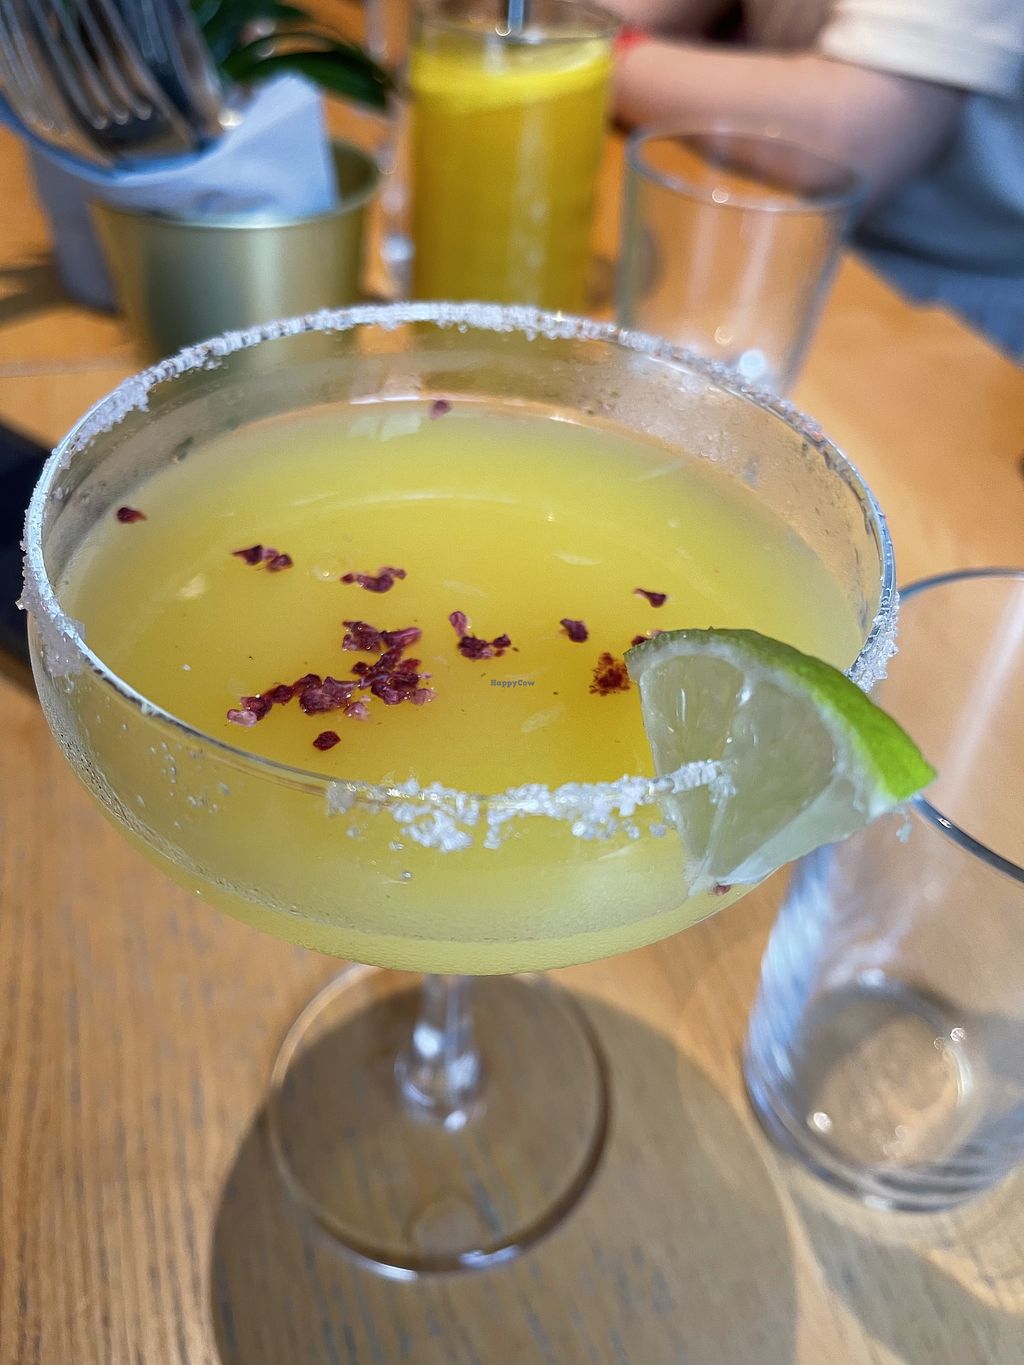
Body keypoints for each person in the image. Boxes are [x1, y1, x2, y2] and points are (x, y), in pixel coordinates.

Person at [611, 0, 1024, 359]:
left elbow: (855, 131)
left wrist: (595, 50)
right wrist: (590, 29)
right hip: (791, 237)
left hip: (944, 301)